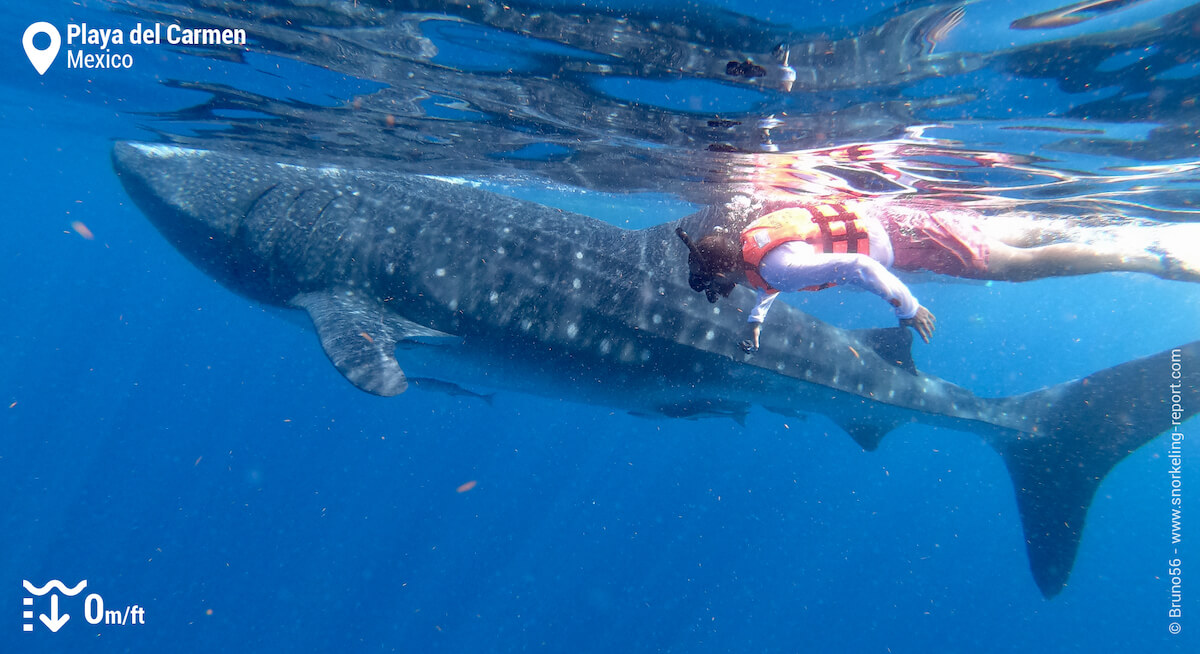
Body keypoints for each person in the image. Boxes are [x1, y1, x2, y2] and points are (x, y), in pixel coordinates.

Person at [677, 197, 1198, 353]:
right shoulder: (758, 238)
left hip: (914, 245)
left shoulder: (771, 268)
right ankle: (1111, 227)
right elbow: (777, 277)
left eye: (721, 285)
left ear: (727, 267)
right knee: (1019, 232)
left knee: (1018, 269)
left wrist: (908, 308)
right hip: (912, 218)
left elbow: (858, 265)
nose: (729, 290)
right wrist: (753, 323)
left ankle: (1144, 256)